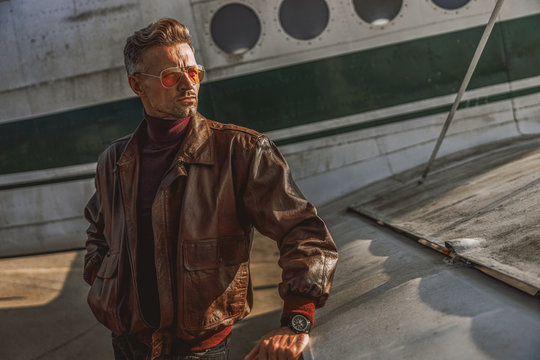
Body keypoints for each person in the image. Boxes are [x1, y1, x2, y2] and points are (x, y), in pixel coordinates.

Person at [83, 18, 338, 360]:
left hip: (201, 351)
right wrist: (104, 280)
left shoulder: (241, 150)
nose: (188, 83)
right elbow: (98, 234)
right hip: (128, 346)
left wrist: (296, 320)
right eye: (171, 76)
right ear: (137, 85)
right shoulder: (113, 161)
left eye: (194, 71)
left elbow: (303, 232)